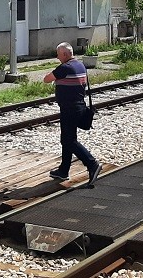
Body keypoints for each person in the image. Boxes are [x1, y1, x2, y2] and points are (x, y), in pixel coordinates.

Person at [43, 42, 102, 184]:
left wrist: (57, 79)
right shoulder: (80, 65)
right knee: (68, 138)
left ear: (64, 54)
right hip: (80, 107)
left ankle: (92, 164)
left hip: (69, 109)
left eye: (58, 55)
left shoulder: (65, 67)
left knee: (68, 141)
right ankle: (63, 170)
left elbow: (46, 79)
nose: (57, 58)